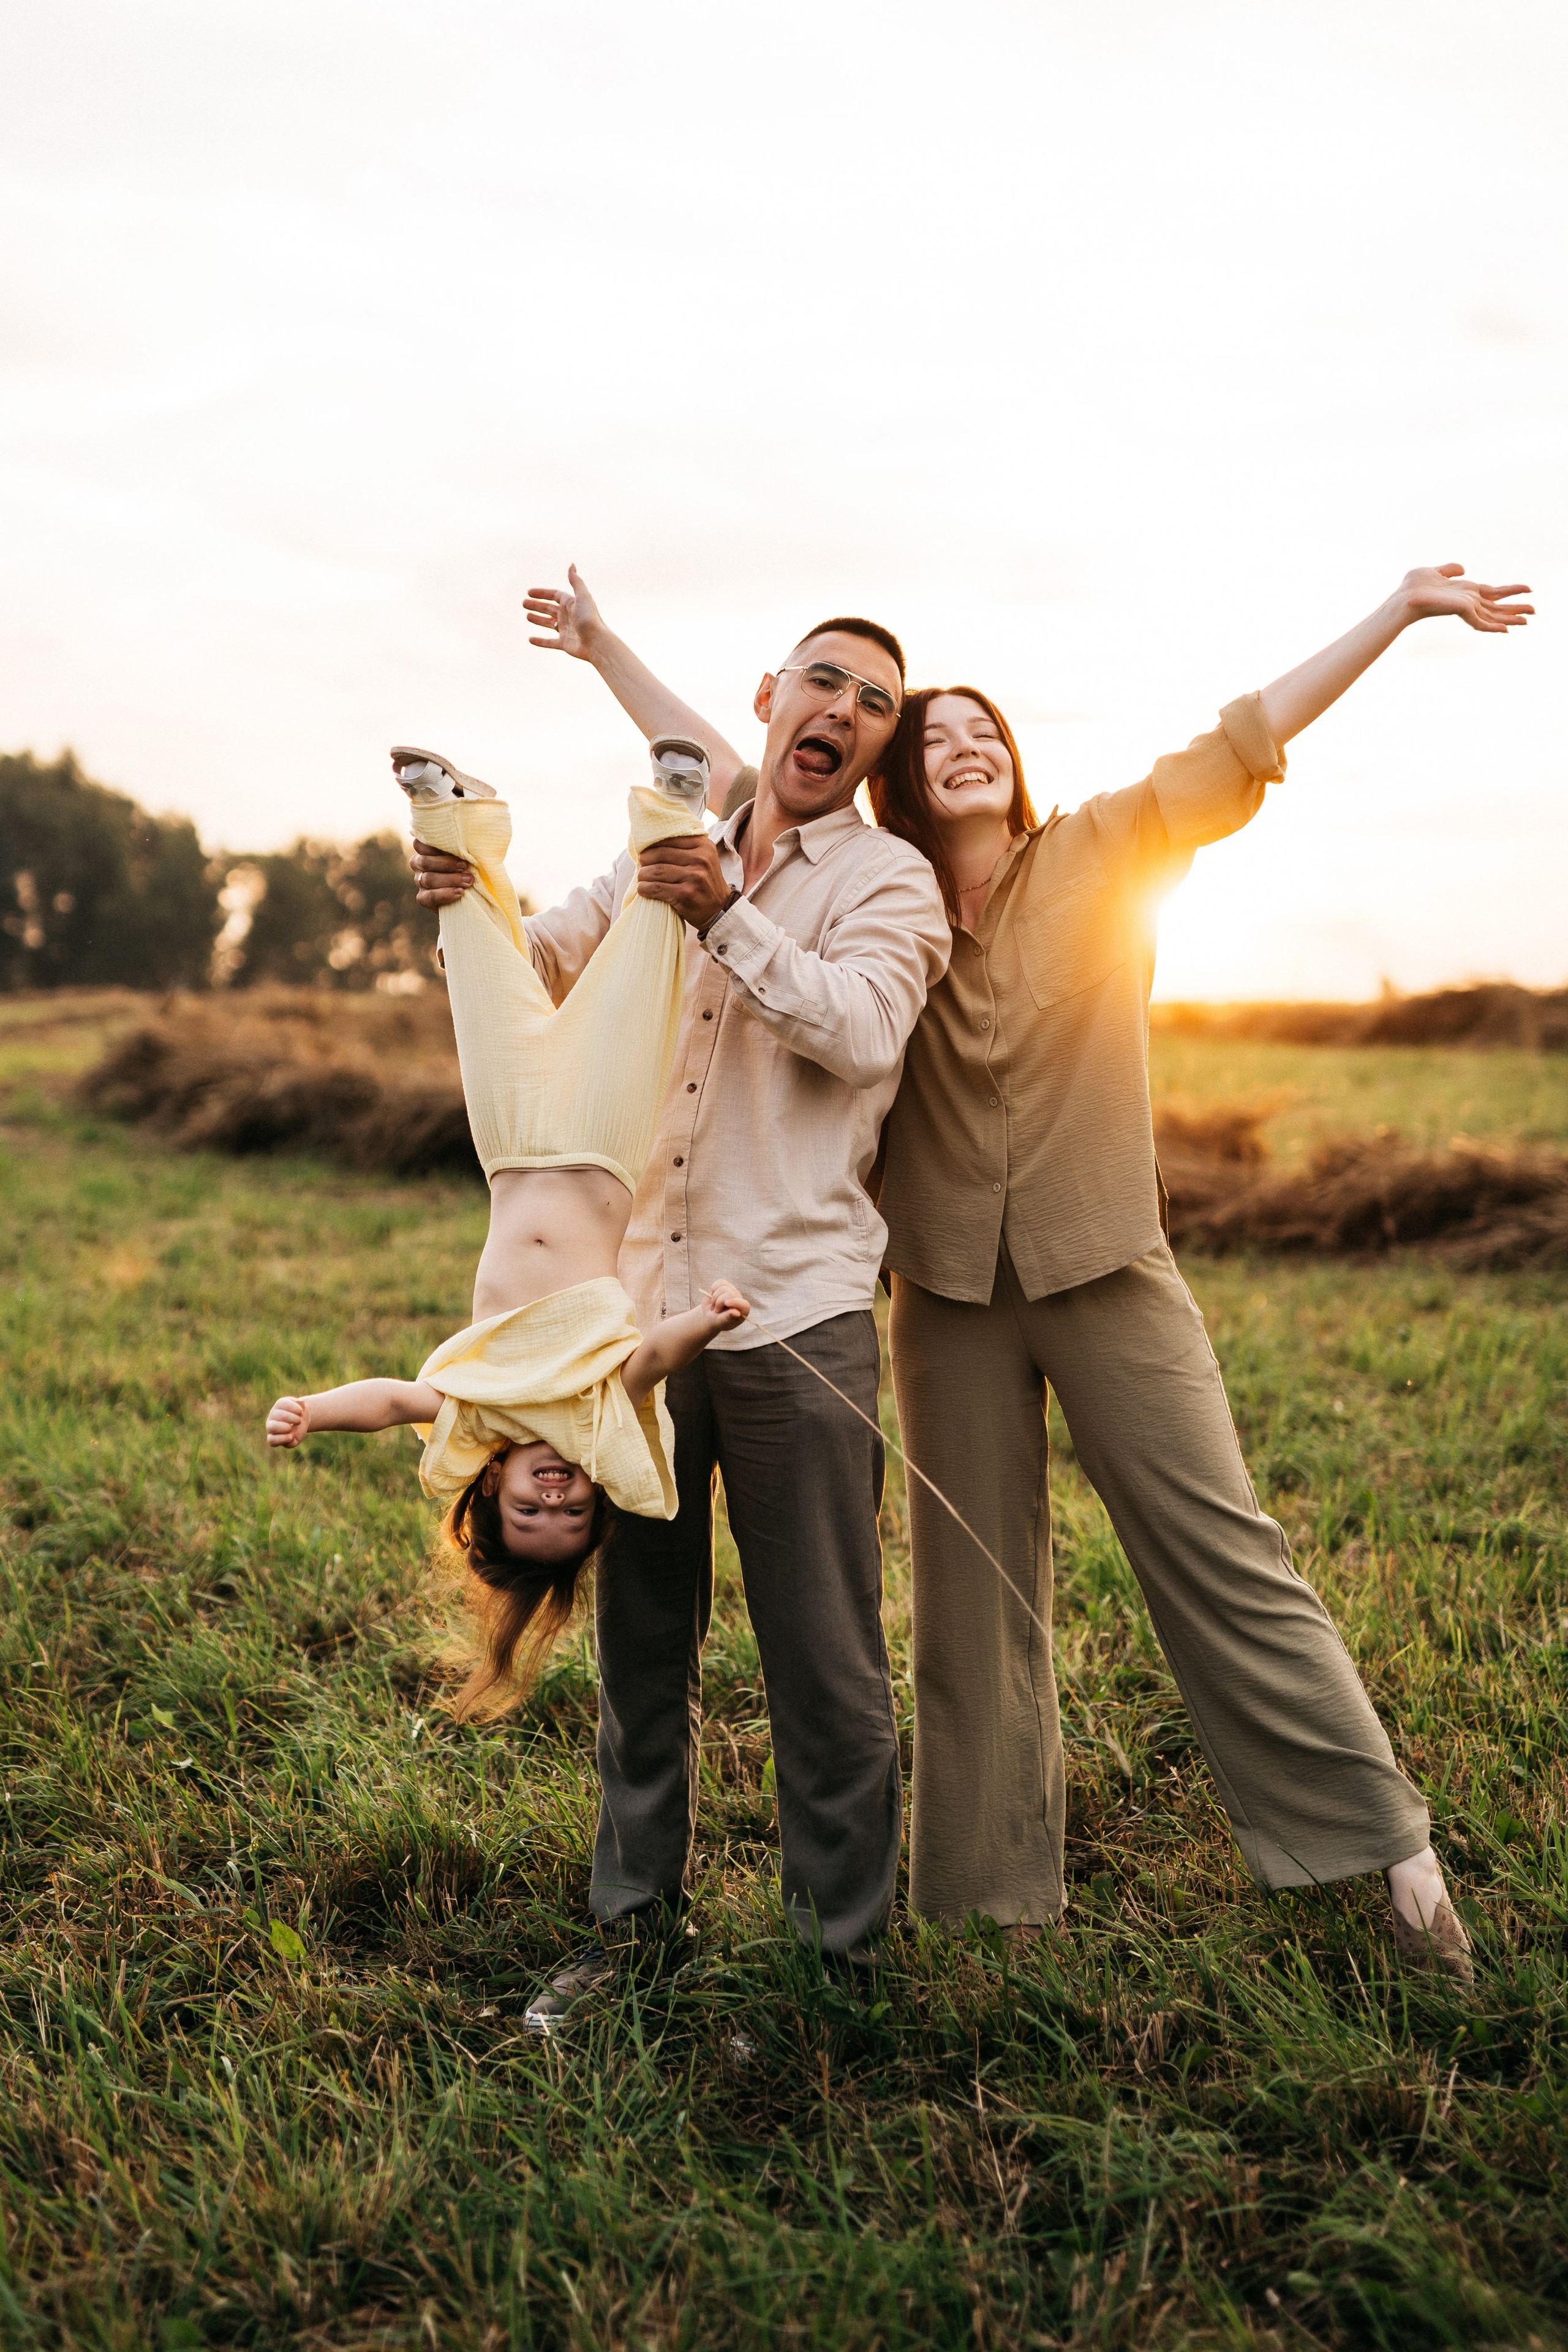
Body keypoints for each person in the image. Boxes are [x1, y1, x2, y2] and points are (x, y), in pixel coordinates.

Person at [530, 560, 1532, 1986]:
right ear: (895, 779)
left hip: (1103, 1261)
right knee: (969, 1599)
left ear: (1010, 758)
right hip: (942, 1291)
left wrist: (1401, 607)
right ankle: (990, 1906)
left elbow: (1249, 732)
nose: (955, 746)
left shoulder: (1096, 851)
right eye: (925, 738)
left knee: (1222, 1556)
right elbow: (741, 760)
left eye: (969, 728)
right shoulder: (867, 874)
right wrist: (603, 648)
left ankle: (1388, 1853)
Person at [410, 609, 951, 2022]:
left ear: (878, 745)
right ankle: (630, 1933)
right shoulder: (668, 842)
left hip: (793, 1312)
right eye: (821, 680)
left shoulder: (892, 883)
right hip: (624, 1323)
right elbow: (546, 976)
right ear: (768, 701)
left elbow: (859, 1030)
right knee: (641, 1645)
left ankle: (839, 1961)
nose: (841, 708)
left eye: (876, 704)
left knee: (820, 1654)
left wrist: (726, 910)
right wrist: (468, 898)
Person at [267, 737, 750, 1719]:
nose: (558, 1496)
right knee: (643, 961)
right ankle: (674, 808)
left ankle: (455, 819)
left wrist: (315, 1409)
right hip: (604, 1141)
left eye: (533, 1510)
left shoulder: (476, 1413)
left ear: (490, 1491)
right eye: (571, 1512)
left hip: (513, 1141)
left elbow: (394, 1400)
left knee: (477, 980)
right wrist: (708, 1319)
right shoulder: (595, 1415)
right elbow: (655, 1355)